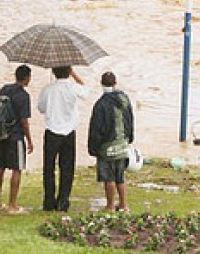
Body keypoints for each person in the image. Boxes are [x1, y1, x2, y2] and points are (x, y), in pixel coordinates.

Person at [37, 65, 90, 212]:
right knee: (67, 167)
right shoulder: (73, 87)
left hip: (52, 131)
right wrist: (74, 74)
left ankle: (49, 201)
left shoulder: (48, 89)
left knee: (49, 168)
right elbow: (86, 89)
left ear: (53, 72)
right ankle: (63, 200)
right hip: (68, 132)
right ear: (69, 72)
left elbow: (41, 108)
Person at [87, 71, 134, 212]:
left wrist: (93, 148)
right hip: (122, 144)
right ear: (115, 83)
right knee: (120, 176)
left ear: (101, 84)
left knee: (109, 177)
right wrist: (129, 138)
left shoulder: (100, 104)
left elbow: (96, 129)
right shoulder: (124, 100)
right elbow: (130, 120)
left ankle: (110, 205)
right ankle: (124, 205)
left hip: (107, 146)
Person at [0, 64, 33, 214]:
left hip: (1, 134)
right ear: (27, 78)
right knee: (17, 169)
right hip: (16, 136)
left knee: (0, 166)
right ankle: (12, 205)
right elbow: (24, 121)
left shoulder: (4, 89)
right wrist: (29, 140)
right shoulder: (24, 96)